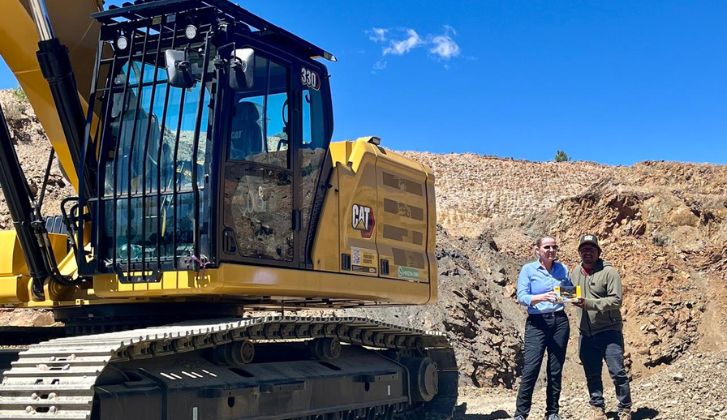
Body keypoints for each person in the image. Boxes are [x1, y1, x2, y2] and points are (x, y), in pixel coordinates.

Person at [571, 234, 633, 420]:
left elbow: (616, 300)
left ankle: (625, 408)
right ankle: (597, 407)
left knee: (618, 372)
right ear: (579, 252)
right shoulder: (575, 272)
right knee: (592, 373)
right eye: (584, 249)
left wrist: (588, 303)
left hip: (609, 331)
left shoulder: (609, 272)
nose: (587, 252)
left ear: (598, 252)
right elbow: (569, 293)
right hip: (585, 333)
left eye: (591, 249)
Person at [513, 236, 572, 420]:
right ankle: (521, 414)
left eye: (554, 247)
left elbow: (569, 292)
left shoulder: (562, 269)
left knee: (555, 369)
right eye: (547, 247)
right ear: (537, 250)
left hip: (559, 321)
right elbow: (522, 296)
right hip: (537, 323)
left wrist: (570, 296)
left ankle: (552, 412)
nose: (551, 250)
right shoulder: (528, 269)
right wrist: (541, 297)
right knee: (531, 368)